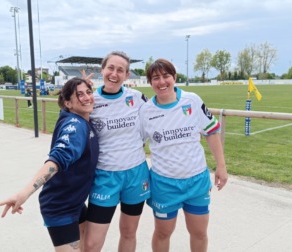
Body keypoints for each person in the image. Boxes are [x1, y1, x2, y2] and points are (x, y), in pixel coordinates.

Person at [0, 77, 99, 252]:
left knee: (86, 247)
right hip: (60, 207)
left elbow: (82, 100)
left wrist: (82, 85)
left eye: (89, 92)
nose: (87, 97)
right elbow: (56, 160)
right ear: (68, 103)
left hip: (76, 202)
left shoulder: (76, 117)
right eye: (79, 95)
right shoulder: (75, 126)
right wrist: (25, 192)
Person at [139, 58, 228, 252]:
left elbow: (211, 132)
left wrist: (221, 166)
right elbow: (136, 144)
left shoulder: (192, 100)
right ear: (150, 82)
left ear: (174, 77)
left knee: (199, 233)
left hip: (196, 181)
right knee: (163, 233)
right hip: (164, 184)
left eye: (166, 76)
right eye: (156, 78)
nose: (162, 82)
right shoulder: (145, 111)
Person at [83, 51, 150, 252]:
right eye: (110, 68)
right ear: (102, 70)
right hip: (105, 176)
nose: (114, 73)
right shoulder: (90, 100)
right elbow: (67, 112)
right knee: (93, 242)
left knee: (129, 233)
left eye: (120, 70)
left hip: (136, 174)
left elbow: (159, 115)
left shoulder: (137, 97)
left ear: (127, 75)